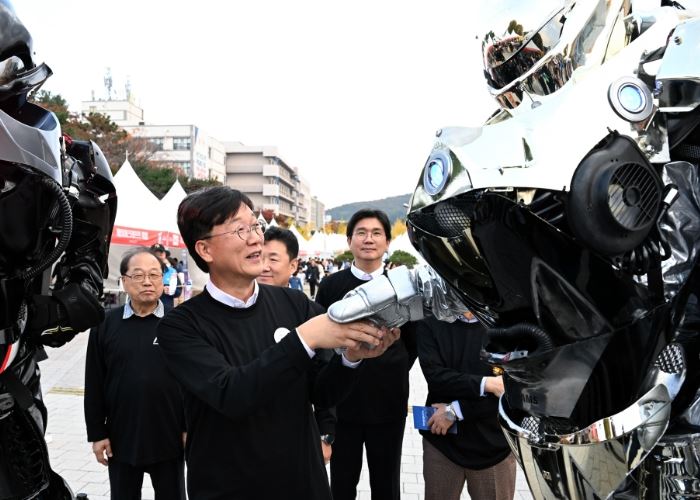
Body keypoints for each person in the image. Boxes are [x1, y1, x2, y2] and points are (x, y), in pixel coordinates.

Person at [156, 186, 400, 499]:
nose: (255, 237)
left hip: (302, 481)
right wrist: (305, 338)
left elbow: (323, 392)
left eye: (255, 226)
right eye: (240, 229)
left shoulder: (293, 303)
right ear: (205, 250)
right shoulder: (181, 325)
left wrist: (351, 358)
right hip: (228, 486)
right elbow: (232, 393)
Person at [315, 208, 417, 500]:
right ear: (350, 242)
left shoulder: (403, 288)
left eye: (376, 233)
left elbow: (413, 344)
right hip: (342, 405)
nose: (368, 239)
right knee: (342, 484)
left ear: (387, 242)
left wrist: (389, 366)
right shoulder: (331, 286)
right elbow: (321, 344)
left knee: (386, 484)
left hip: (388, 402)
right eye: (361, 232)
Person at [84, 248, 186, 500]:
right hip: (121, 436)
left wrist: (189, 427)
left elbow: (193, 381)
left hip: (170, 435)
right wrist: (97, 434)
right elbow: (94, 381)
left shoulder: (180, 324)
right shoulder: (105, 324)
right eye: (138, 275)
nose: (148, 281)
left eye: (154, 274)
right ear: (124, 282)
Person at [258, 225, 336, 463]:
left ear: (293, 266)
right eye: (258, 257)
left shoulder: (309, 311)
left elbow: (324, 375)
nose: (264, 266)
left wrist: (326, 433)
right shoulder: (235, 309)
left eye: (272, 258)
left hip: (295, 430)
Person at [416, 313, 515, 500]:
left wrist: (456, 410)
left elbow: (511, 392)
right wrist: (486, 384)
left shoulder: (507, 327)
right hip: (442, 443)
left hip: (493, 447)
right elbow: (437, 378)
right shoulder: (430, 323)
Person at [150, 244, 182, 309]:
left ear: (164, 255)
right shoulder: (145, 270)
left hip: (167, 310)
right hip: (148, 309)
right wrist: (160, 289)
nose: (158, 257)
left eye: (160, 254)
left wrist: (171, 291)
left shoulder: (172, 271)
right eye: (155, 254)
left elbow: (178, 291)